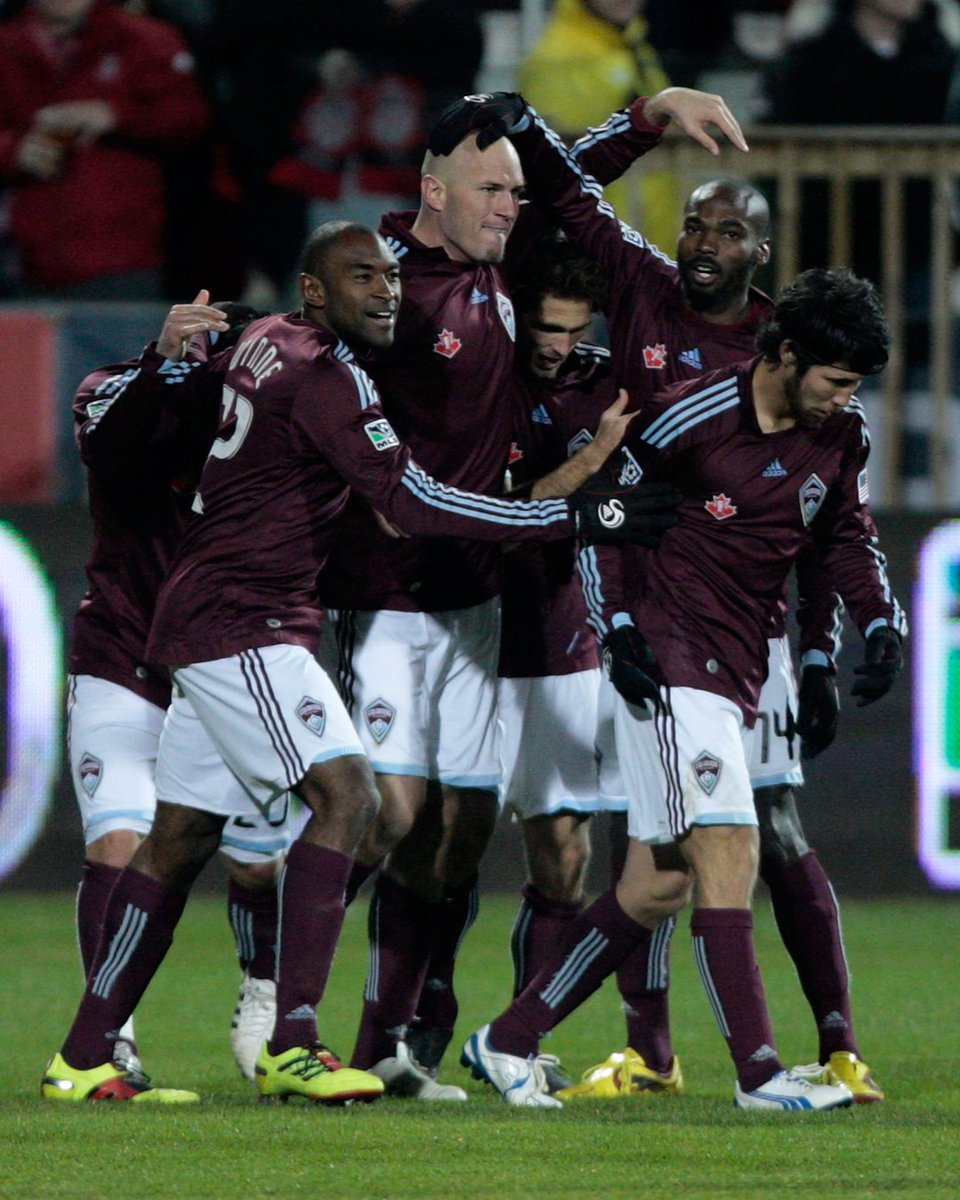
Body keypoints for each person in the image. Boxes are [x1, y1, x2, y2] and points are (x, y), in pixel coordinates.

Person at [41, 219, 662, 1105]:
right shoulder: (324, 374)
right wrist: (570, 516)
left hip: (219, 612)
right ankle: (295, 1037)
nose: (386, 290)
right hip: (244, 615)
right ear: (315, 292)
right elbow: (409, 500)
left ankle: (84, 1052)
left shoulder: (267, 342)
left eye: (391, 277)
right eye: (361, 276)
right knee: (350, 794)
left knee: (178, 836)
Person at [315, 87, 744, 1101]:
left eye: (512, 191)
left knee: (459, 837)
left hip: (480, 595)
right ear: (433, 191)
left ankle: (400, 1037)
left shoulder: (499, 261)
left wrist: (645, 118)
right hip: (389, 585)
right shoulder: (385, 290)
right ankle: (279, 994)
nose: (508, 204)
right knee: (388, 814)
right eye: (488, 189)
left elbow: (564, 183)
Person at [461, 266, 906, 1111]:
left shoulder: (840, 437)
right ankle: (762, 1075)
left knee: (657, 883)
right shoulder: (686, 417)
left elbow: (846, 534)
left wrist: (878, 622)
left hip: (740, 669)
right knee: (730, 849)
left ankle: (509, 1038)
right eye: (836, 381)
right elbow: (603, 518)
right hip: (670, 661)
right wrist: (617, 631)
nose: (846, 400)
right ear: (783, 356)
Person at [67, 293, 289, 1087]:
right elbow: (110, 448)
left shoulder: (282, 425)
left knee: (259, 867)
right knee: (119, 844)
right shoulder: (112, 387)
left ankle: (264, 999)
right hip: (123, 657)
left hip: (226, 668)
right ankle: (109, 1043)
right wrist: (164, 362)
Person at [0, 0, 209, 297]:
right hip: (23, 262)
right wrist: (13, 151)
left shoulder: (142, 38)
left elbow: (189, 118)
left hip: (121, 260)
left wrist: (115, 115)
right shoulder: (8, 45)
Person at [518, 0, 677, 246]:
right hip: (601, 249)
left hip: (652, 237)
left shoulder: (635, 48)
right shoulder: (557, 57)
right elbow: (560, 163)